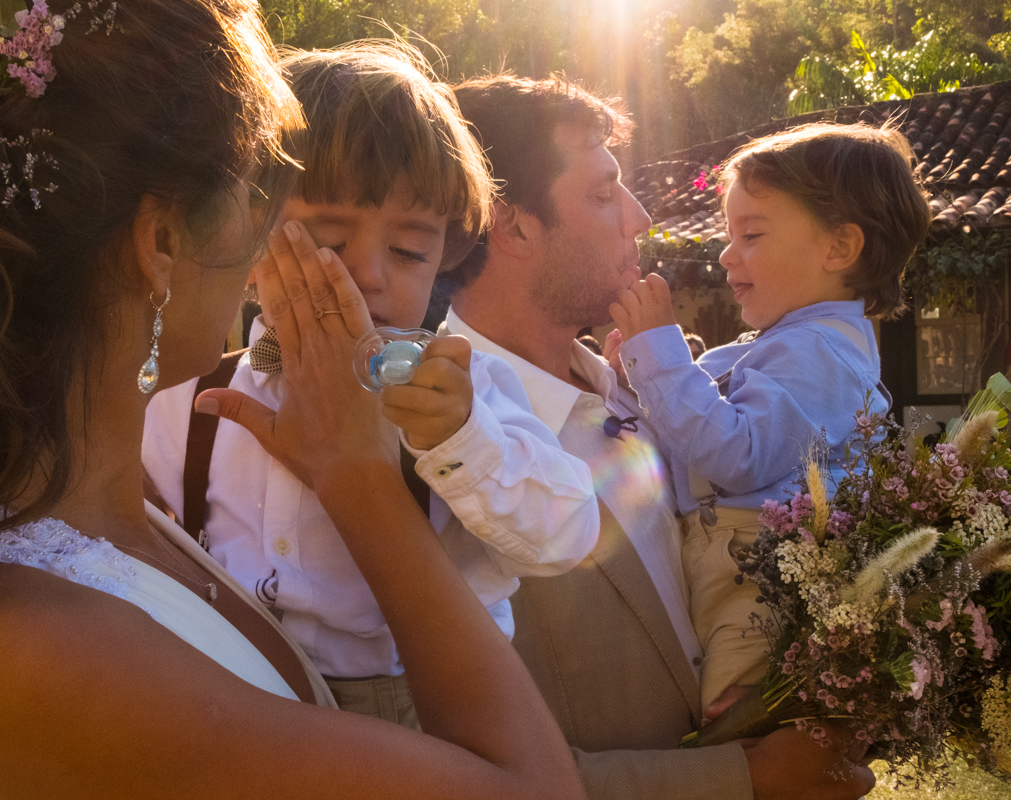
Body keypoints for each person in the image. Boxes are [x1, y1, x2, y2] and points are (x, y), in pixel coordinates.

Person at [0, 4, 586, 798]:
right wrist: (355, 473)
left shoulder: (109, 512)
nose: (261, 237)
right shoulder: (6, 641)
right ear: (162, 242)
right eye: (258, 193)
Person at [446, 74, 877, 800]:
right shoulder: (445, 446)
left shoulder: (642, 392)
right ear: (512, 225)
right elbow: (455, 769)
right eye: (604, 193)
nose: (640, 217)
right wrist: (746, 777)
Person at [142, 43, 599, 726]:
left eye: (410, 250)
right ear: (246, 239)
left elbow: (567, 536)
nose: (371, 276)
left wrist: (462, 441)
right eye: (328, 241)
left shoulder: (464, 391)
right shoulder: (186, 398)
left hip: (424, 709)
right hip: (245, 697)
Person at [610, 123, 931, 713]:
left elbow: (737, 454)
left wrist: (658, 354)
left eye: (752, 234)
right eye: (730, 233)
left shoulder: (821, 353)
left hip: (759, 581)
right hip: (732, 564)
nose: (726, 254)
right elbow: (689, 433)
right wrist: (638, 373)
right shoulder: (781, 344)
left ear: (839, 248)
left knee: (732, 727)